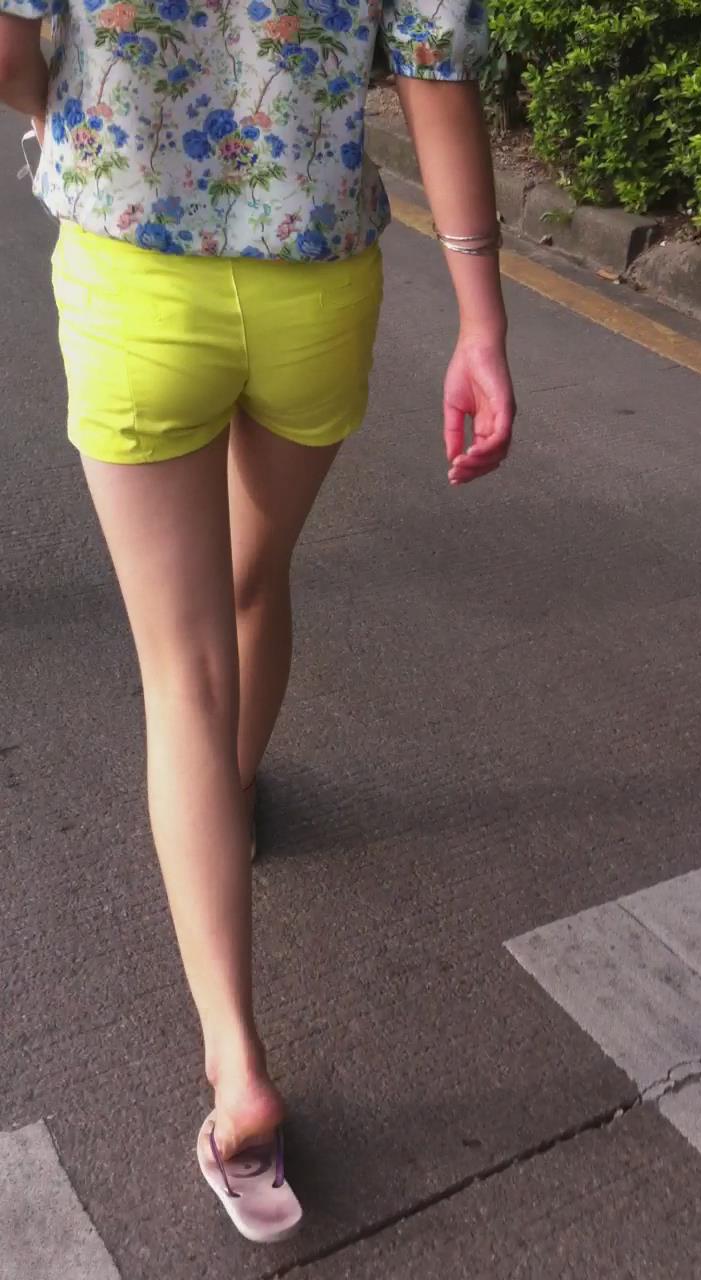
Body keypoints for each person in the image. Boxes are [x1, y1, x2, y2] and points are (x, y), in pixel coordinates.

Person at [0, 0, 515, 1242]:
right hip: (314, 286)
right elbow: (435, 76)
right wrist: (483, 324)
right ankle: (228, 797)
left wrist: (65, 113)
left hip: (134, 276)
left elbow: (7, 54)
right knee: (255, 573)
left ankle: (236, 1064)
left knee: (183, 670)